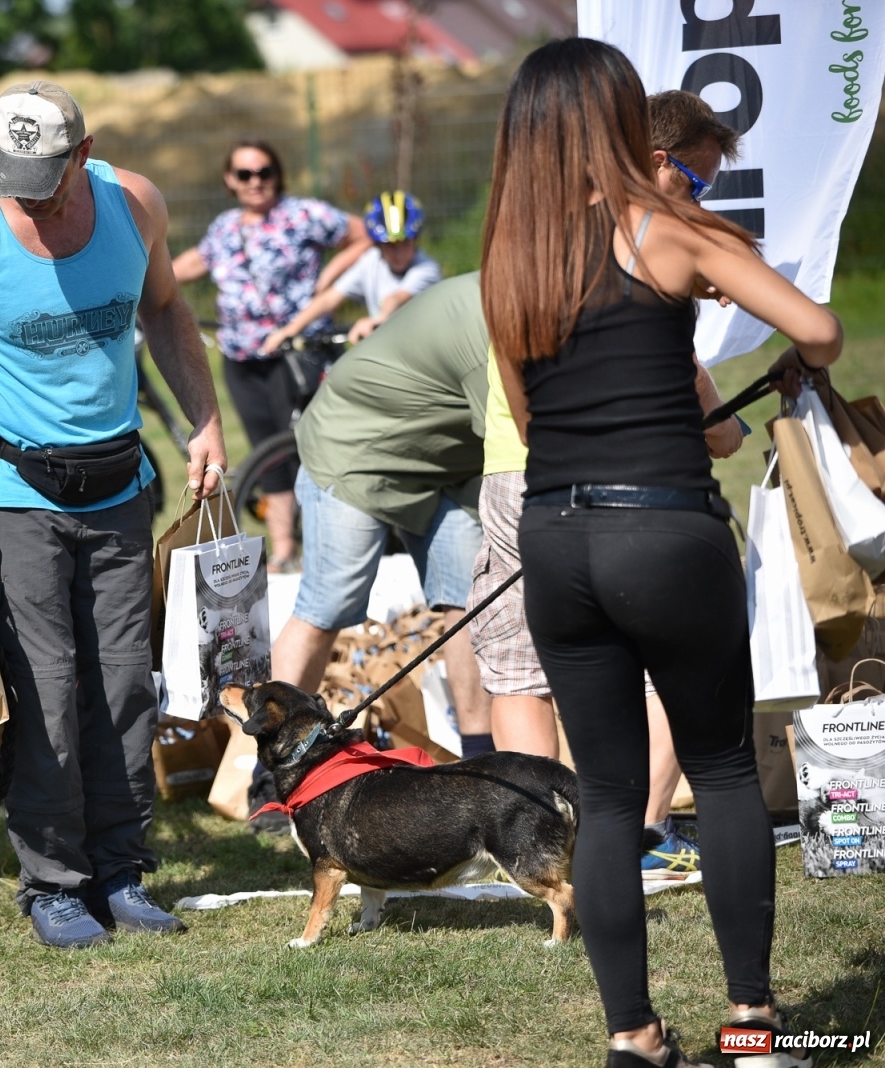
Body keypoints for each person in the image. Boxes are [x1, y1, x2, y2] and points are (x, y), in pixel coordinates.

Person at [482, 38, 837, 1068]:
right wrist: (780, 351)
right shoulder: (671, 227)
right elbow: (816, 329)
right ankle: (753, 1032)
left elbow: (527, 416)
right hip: (664, 528)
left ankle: (631, 1038)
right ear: (615, 119)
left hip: (555, 538)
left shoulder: (509, 256)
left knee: (601, 791)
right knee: (722, 773)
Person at [0, 80, 226, 949]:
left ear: (82, 152)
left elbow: (166, 313)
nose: (27, 194)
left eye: (46, 174)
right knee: (45, 690)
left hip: (118, 486)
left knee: (121, 687)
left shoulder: (133, 203)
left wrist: (206, 421)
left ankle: (119, 871)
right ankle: (53, 885)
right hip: (12, 493)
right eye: (14, 176)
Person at [468, 87, 750, 880]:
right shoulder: (642, 241)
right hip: (596, 481)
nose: (699, 201)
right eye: (696, 183)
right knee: (649, 656)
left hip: (526, 469)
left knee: (527, 666)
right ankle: (631, 833)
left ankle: (553, 848)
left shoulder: (534, 229)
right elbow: (687, 363)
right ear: (658, 162)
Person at [268, 275, 495, 770]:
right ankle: (275, 765)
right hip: (357, 453)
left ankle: (480, 761)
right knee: (329, 604)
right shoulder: (492, 327)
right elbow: (521, 443)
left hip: (446, 467)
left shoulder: (531, 303)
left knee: (470, 603)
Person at [172, 141, 368, 571]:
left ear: (277, 174)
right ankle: (283, 549)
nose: (255, 181)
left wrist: (329, 280)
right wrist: (143, 278)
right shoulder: (225, 226)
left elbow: (363, 233)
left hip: (293, 353)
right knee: (266, 453)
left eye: (264, 172)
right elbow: (193, 263)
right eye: (245, 174)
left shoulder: (302, 215)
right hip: (242, 356)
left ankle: (328, 548)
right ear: (230, 180)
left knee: (302, 449)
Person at [261, 191, 441, 353]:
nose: (398, 253)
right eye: (390, 246)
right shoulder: (371, 261)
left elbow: (396, 298)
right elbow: (330, 298)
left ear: (416, 240)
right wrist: (290, 330)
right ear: (377, 244)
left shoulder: (426, 269)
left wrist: (379, 319)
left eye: (405, 243)